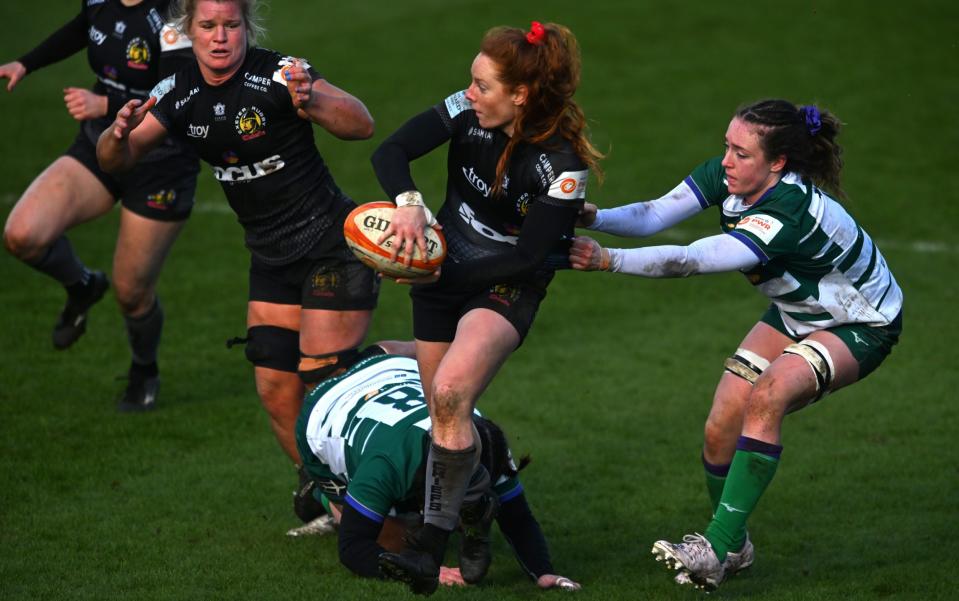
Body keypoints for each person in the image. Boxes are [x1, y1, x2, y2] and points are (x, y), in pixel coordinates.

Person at [570, 99, 903, 590]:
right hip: (799, 310)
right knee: (722, 421)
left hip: (860, 322)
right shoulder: (730, 177)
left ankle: (715, 547)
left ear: (778, 163)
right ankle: (736, 547)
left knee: (766, 396)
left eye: (741, 153)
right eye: (727, 146)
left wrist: (607, 260)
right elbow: (654, 214)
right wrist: (589, 215)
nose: (726, 160)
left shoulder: (787, 211)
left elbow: (690, 259)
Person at [95, 0, 378, 476]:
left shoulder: (282, 75)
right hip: (270, 259)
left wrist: (313, 100)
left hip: (331, 247)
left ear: (247, 26)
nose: (220, 36)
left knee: (324, 380)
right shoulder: (178, 93)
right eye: (208, 26)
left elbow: (361, 123)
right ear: (190, 31)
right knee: (274, 387)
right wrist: (118, 134)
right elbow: (114, 160)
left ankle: (394, 383)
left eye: (231, 24)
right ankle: (338, 506)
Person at [369, 20, 603, 592]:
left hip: (507, 285)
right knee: (444, 414)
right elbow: (393, 149)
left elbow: (528, 255)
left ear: (519, 94)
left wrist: (435, 267)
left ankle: (428, 545)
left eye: (482, 85)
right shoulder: (467, 109)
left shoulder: (562, 164)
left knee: (451, 394)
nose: (469, 93)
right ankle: (477, 514)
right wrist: (408, 205)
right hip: (443, 269)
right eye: (470, 83)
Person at [1, 0, 201, 411]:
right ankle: (83, 285)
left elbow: (179, 93)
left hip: (160, 164)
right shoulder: (99, 1)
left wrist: (105, 105)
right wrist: (26, 63)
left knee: (131, 293)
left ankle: (144, 370)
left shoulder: (174, 13)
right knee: (22, 234)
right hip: (100, 145)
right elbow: (82, 28)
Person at [294, 342, 581, 595]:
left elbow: (518, 519)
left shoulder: (485, 441)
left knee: (430, 521)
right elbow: (353, 548)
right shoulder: (386, 465)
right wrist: (427, 571)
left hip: (395, 370)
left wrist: (543, 572)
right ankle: (316, 493)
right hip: (323, 409)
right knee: (393, 541)